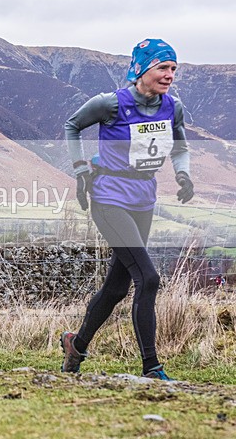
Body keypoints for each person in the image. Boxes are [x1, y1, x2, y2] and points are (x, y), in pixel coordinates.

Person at [62, 38, 192, 381]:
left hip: (143, 200)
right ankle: (152, 367)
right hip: (109, 198)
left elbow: (180, 147)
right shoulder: (111, 104)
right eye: (162, 68)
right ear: (141, 69)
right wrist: (79, 169)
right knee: (148, 278)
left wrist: (183, 174)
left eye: (173, 69)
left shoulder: (172, 107)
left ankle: (76, 344)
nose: (169, 75)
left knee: (118, 288)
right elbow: (72, 125)